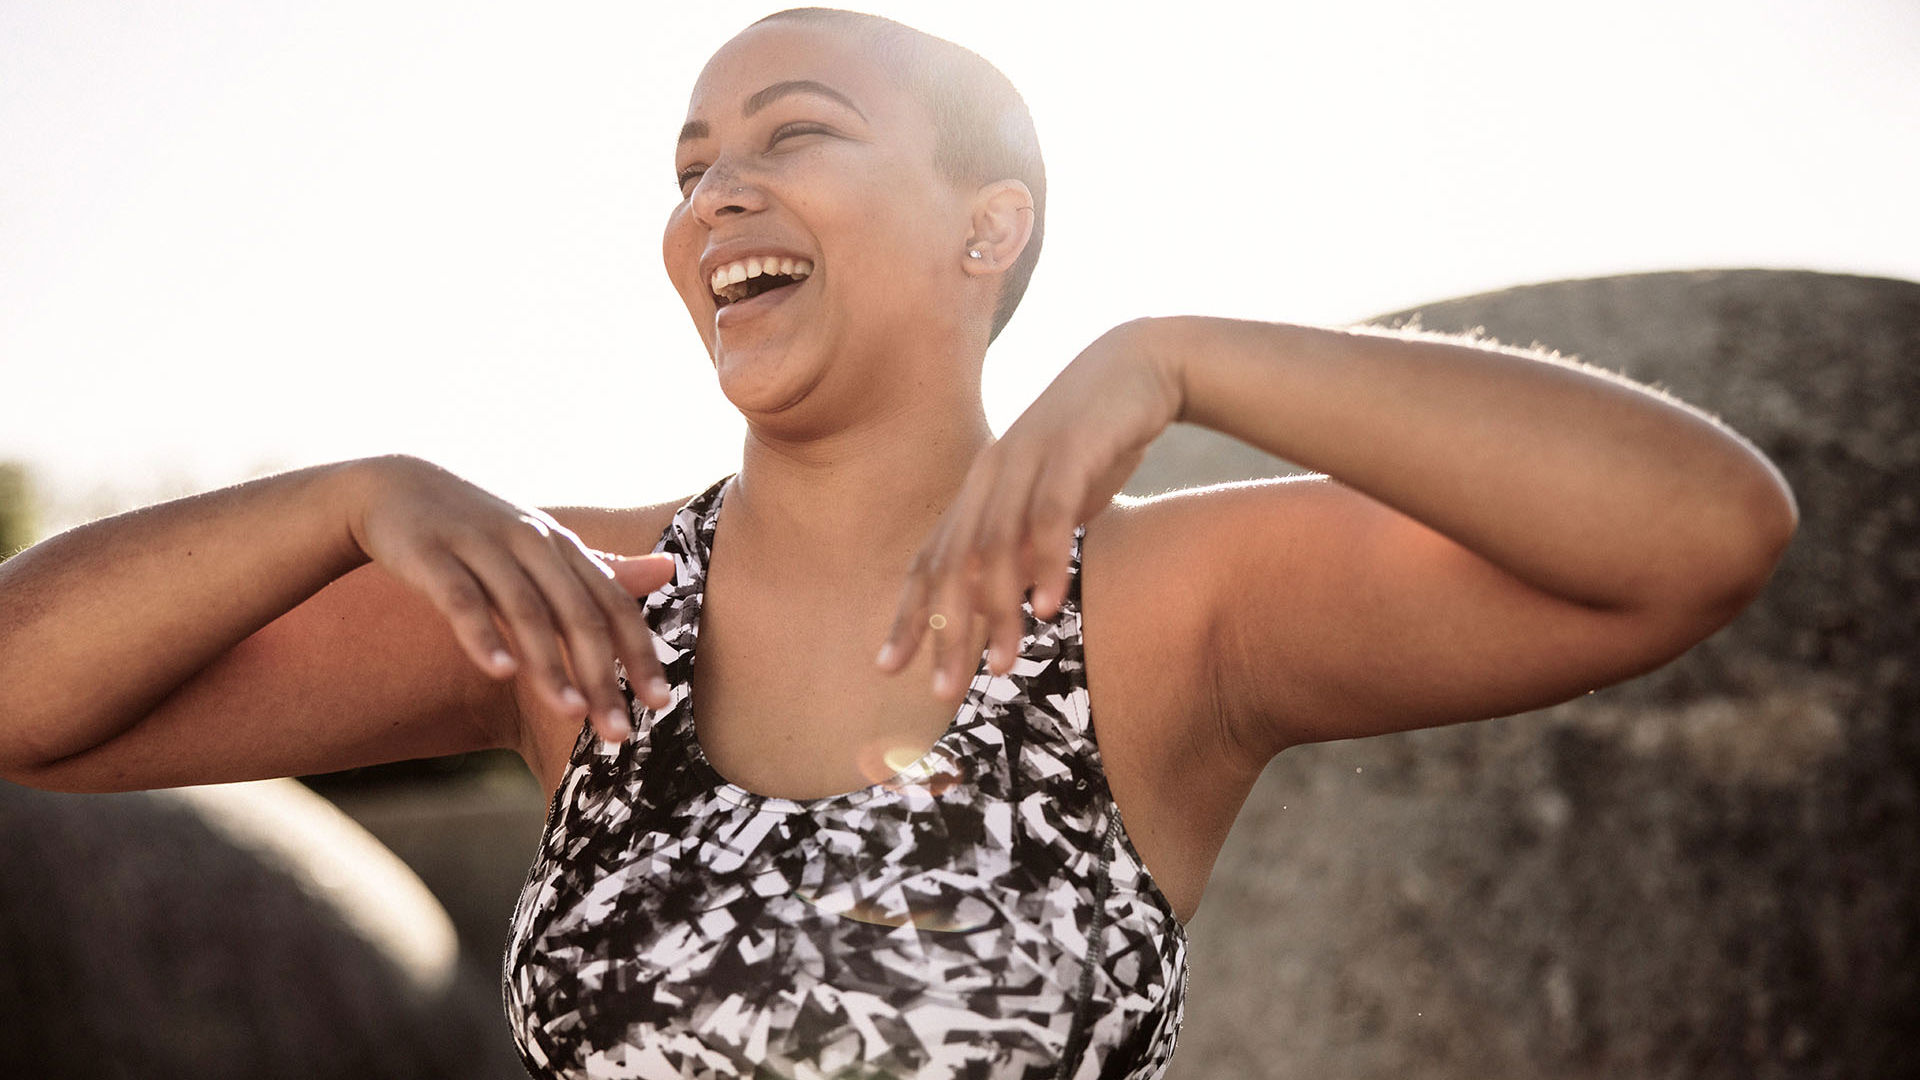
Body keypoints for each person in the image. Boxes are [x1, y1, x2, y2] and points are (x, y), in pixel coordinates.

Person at [0, 8, 1796, 1079]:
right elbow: (26, 704)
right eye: (693, 163)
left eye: (797, 137)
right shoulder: (584, 620)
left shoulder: (1161, 608)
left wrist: (1187, 358)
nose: (717, 195)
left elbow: (1699, 533)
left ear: (986, 227)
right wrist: (345, 495)